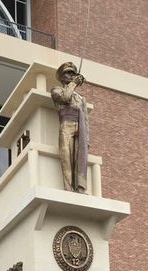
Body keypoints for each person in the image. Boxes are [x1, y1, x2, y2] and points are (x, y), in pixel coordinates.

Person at [51, 61, 89, 193]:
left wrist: (87, 139)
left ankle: (80, 188)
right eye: (68, 73)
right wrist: (74, 84)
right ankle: (68, 189)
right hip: (66, 127)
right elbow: (65, 98)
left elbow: (85, 118)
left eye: (73, 73)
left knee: (79, 159)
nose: (71, 75)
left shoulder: (80, 98)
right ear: (62, 76)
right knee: (66, 160)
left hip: (80, 128)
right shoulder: (56, 90)